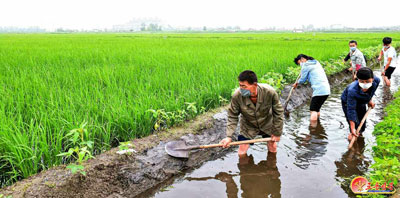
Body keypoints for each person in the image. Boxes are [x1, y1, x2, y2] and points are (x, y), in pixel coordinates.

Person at [219, 70, 284, 155]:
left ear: (254, 85)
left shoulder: (269, 92)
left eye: (244, 86)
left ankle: (271, 167)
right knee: (242, 151)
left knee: (272, 147)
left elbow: (278, 112)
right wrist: (229, 136)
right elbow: (232, 116)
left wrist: (277, 133)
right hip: (248, 125)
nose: (241, 89)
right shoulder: (237, 96)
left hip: (267, 123)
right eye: (240, 85)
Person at [341, 67, 380, 141]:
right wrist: (352, 128)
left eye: (367, 81)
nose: (365, 84)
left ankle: (360, 137)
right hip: (348, 102)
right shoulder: (352, 90)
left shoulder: (377, 81)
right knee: (354, 126)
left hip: (361, 101)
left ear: (372, 79)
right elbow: (351, 109)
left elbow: (371, 92)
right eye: (362, 81)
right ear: (358, 80)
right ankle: (352, 139)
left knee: (362, 123)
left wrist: (369, 100)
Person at [292, 54, 331, 127]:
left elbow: (303, 80)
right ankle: (318, 126)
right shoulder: (316, 62)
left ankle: (313, 130)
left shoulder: (306, 66)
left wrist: (296, 83)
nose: (300, 64)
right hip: (326, 90)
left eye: (299, 63)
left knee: (313, 110)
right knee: (317, 109)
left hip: (319, 90)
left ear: (302, 59)